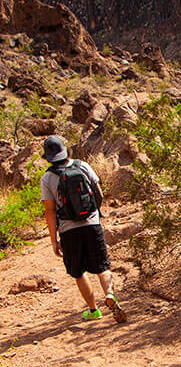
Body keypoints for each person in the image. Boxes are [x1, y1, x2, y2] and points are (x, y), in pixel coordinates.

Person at [40, 135, 127, 323]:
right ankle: (110, 294)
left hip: (68, 229)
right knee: (102, 265)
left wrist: (54, 240)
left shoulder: (47, 178)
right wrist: (95, 214)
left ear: (48, 156)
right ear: (65, 150)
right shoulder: (82, 166)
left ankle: (93, 309)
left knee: (78, 271)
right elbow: (98, 191)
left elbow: (50, 211)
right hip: (92, 223)